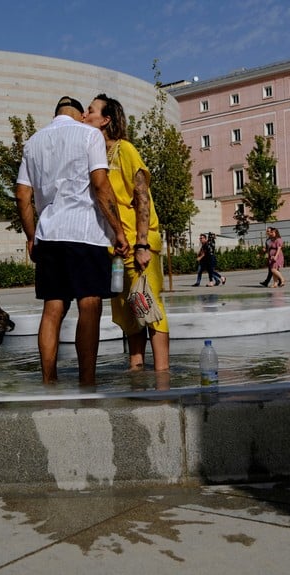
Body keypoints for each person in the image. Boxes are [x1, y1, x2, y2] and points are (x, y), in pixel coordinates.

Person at [15, 95, 129, 385]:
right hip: (84, 233)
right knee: (89, 304)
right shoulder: (89, 135)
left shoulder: (33, 142)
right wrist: (118, 229)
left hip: (49, 235)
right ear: (79, 115)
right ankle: (87, 382)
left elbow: (22, 195)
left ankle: (49, 381)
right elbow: (101, 184)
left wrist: (31, 237)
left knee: (53, 309)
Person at [82, 93, 169, 372]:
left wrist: (142, 243)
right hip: (114, 249)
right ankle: (136, 368)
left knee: (150, 307)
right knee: (129, 311)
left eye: (91, 110)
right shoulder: (95, 156)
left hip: (138, 243)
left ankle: (162, 374)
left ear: (106, 120)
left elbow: (142, 195)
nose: (85, 114)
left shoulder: (125, 150)